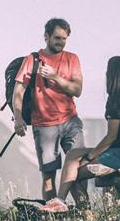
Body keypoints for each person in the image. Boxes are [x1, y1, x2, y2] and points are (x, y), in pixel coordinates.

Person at [42, 56, 120, 212]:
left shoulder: (115, 100)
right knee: (73, 154)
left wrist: (89, 157)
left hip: (118, 155)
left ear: (112, 74)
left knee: (73, 176)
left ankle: (83, 214)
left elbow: (111, 137)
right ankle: (60, 200)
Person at [13, 18, 88, 206]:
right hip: (44, 125)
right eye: (56, 38)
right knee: (49, 175)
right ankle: (52, 216)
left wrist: (55, 77)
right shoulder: (33, 60)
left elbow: (77, 90)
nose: (60, 42)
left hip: (71, 121)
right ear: (46, 37)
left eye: (64, 39)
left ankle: (84, 211)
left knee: (78, 168)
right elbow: (18, 90)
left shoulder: (72, 59)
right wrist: (19, 118)